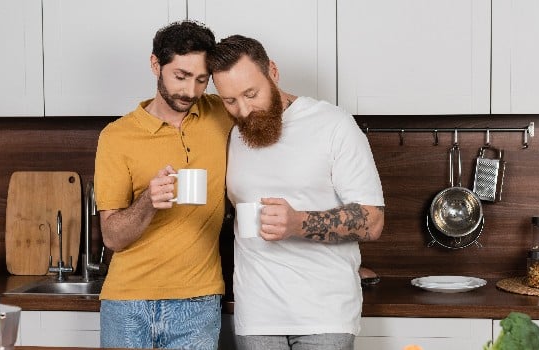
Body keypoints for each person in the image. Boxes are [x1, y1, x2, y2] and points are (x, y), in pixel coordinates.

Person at [207, 35, 385, 350]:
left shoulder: (333, 125)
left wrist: (298, 223)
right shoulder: (232, 134)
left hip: (325, 313)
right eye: (230, 100)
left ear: (273, 72)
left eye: (251, 93)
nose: (244, 110)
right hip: (257, 314)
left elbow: (372, 221)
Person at [93, 20, 232, 349]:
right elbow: (112, 237)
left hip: (199, 302)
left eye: (201, 80)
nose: (191, 92)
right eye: (181, 76)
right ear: (155, 64)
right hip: (127, 303)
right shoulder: (117, 137)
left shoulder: (222, 113)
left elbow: (267, 102)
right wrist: (148, 202)